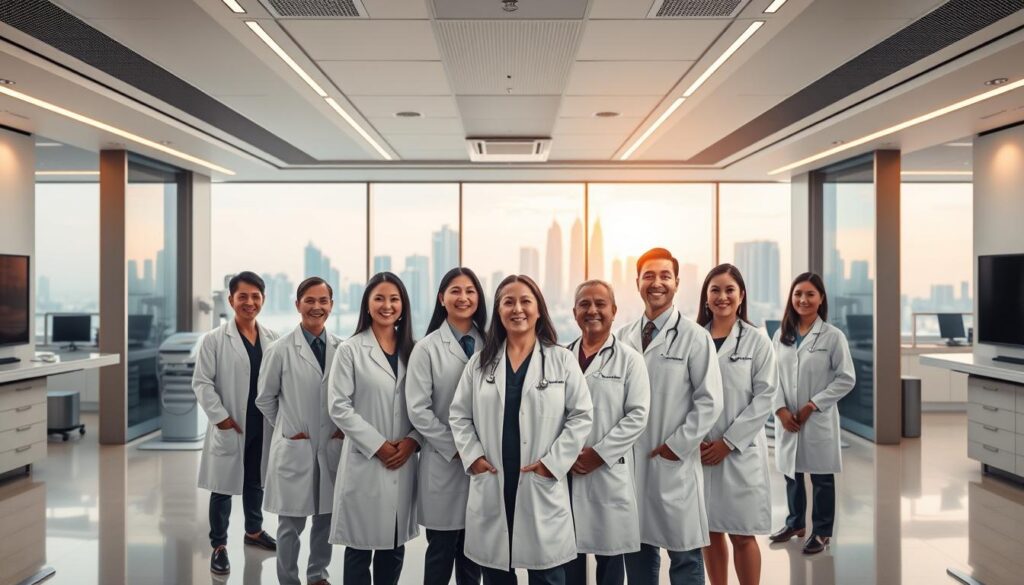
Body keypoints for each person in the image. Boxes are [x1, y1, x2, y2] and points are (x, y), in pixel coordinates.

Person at [449, 275, 593, 585]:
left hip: (539, 479)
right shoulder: (480, 364)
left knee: (547, 575)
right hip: (494, 479)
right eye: (508, 302)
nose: (518, 309)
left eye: (525, 301)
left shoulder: (561, 360)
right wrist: (473, 456)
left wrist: (553, 463)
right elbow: (459, 415)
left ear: (539, 309)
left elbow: (581, 416)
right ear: (499, 311)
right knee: (497, 574)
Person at [617, 248, 723, 585]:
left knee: (685, 555)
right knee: (637, 552)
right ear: (637, 283)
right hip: (632, 464)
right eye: (649, 276)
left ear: (677, 283)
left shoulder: (695, 337)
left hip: (673, 462)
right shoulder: (623, 337)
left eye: (665, 276)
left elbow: (710, 401)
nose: (656, 283)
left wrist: (675, 447)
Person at [328, 272, 421, 585]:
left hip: (404, 459)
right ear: (367, 305)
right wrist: (378, 445)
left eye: (394, 299)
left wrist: (412, 441)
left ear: (403, 306)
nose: (387, 305)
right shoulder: (351, 350)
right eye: (379, 298)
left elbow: (427, 405)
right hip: (365, 460)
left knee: (393, 546)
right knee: (359, 546)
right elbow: (339, 406)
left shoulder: (415, 352)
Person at [256, 277, 344, 585]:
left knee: (325, 519)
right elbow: (264, 399)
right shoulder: (280, 349)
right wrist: (287, 427)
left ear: (331, 306)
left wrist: (340, 431)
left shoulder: (342, 349)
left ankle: (317, 574)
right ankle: (288, 579)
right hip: (296, 447)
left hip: (330, 448)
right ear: (298, 305)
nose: (316, 307)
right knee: (290, 524)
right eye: (310, 300)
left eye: (323, 301)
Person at [564, 280, 650, 585]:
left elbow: (637, 415)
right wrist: (564, 454)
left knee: (610, 560)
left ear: (614, 311)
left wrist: (598, 454)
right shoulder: (561, 357)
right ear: (574, 312)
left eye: (600, 304)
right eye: (584, 304)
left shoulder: (630, 360)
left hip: (608, 471)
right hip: (568, 470)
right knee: (567, 558)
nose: (592, 310)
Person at [193, 271, 279, 575]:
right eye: (243, 296)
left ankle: (253, 531)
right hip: (233, 425)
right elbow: (202, 383)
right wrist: (222, 418)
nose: (249, 302)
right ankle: (219, 546)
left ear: (263, 299)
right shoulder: (214, 340)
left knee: (256, 479)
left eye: (256, 296)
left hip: (262, 424)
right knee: (223, 488)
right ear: (231, 300)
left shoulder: (272, 339)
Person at [695, 265, 777, 585]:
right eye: (715, 290)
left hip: (739, 453)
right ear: (706, 297)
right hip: (700, 451)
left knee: (742, 534)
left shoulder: (757, 340)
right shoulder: (694, 339)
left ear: (741, 296)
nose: (722, 296)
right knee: (709, 531)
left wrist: (727, 443)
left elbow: (765, 396)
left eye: (729, 290)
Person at [406, 267, 487, 585]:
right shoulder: (426, 348)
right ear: (442, 298)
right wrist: (458, 448)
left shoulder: (492, 343)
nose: (463, 297)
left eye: (470, 291)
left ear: (478, 298)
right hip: (444, 460)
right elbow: (419, 410)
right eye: (455, 291)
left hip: (484, 464)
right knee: (440, 552)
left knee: (474, 555)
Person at [770, 272, 856, 555]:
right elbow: (773, 378)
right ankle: (795, 523)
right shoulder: (780, 336)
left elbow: (846, 378)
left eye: (809, 294)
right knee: (791, 474)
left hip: (817, 418)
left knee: (821, 477)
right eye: (798, 294)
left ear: (821, 299)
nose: (803, 300)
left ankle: (821, 532)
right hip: (787, 418)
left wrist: (811, 405)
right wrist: (781, 410)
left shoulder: (833, 337)